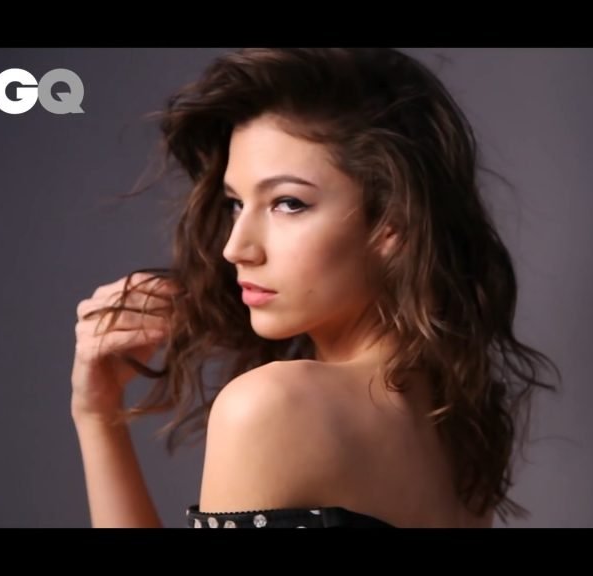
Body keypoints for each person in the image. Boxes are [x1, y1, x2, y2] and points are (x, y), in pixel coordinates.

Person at [70, 48, 560, 528]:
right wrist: (98, 416)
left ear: (392, 221)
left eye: (288, 203)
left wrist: (97, 419)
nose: (236, 248)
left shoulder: (272, 407)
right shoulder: (455, 421)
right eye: (236, 204)